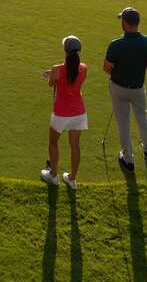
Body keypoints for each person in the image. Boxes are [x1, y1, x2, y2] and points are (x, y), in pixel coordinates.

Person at [103, 6, 147, 171]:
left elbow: (106, 68)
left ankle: (128, 159)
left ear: (125, 24)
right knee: (142, 117)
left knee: (123, 122)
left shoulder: (115, 45)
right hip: (137, 87)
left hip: (118, 87)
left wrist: (120, 72)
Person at [41, 35, 87, 191]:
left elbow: (51, 83)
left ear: (65, 50)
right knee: (75, 146)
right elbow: (73, 76)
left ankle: (54, 176)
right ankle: (72, 179)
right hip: (79, 113)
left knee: (53, 142)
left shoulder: (57, 69)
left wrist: (51, 74)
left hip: (61, 113)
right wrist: (54, 73)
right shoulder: (84, 68)